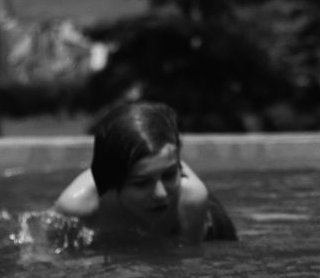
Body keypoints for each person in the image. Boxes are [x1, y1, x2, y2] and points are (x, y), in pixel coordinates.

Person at [53, 101, 237, 246]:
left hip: (212, 228)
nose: (161, 194)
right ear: (110, 181)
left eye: (168, 175)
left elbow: (185, 266)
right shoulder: (75, 206)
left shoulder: (191, 197)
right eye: (141, 183)